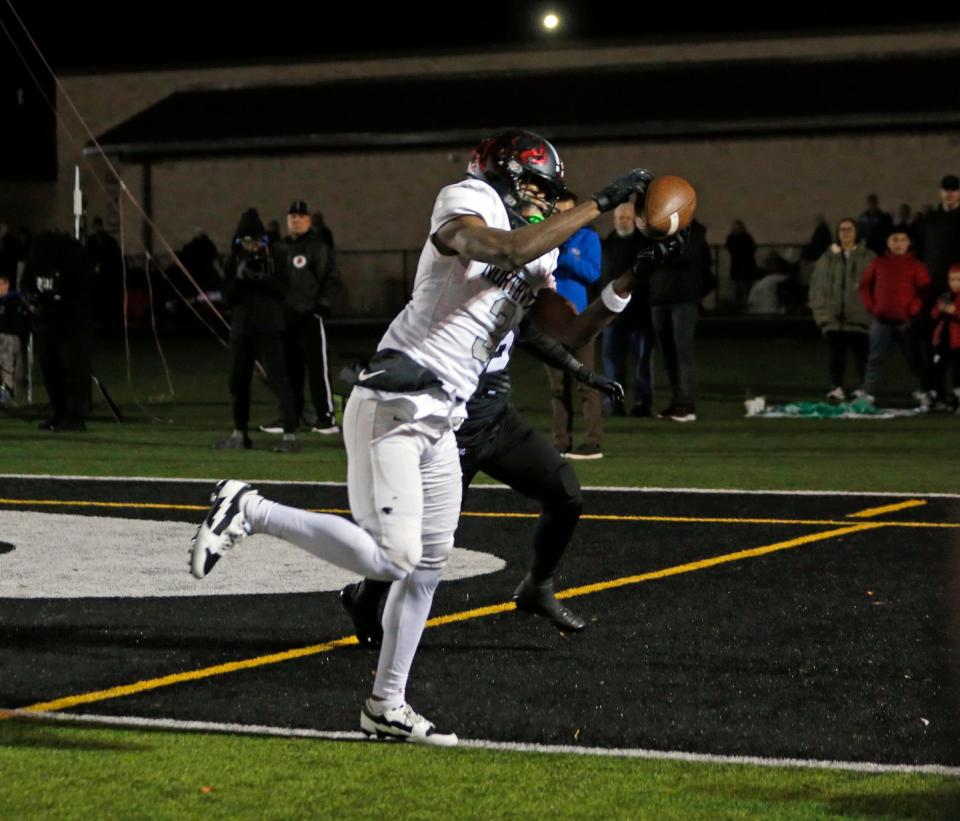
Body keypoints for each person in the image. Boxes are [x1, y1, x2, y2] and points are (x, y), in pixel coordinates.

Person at [190, 129, 675, 746]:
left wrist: (632, 271)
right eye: (534, 186)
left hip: (443, 415)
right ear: (500, 174)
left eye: (548, 192)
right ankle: (250, 508)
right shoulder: (466, 202)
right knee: (393, 558)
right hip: (398, 396)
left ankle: (385, 704)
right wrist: (599, 205)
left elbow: (572, 328)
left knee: (429, 564)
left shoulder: (539, 244)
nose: (541, 200)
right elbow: (501, 248)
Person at [341, 319, 625, 647]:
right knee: (418, 542)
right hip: (447, 436)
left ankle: (538, 586)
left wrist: (582, 373)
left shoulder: (507, 292)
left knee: (565, 492)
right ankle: (364, 596)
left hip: (497, 423)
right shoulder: (452, 296)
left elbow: (529, 332)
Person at [214, 208, 300, 453]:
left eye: (256, 241)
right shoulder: (233, 260)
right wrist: (240, 279)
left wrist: (261, 278)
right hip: (242, 330)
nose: (252, 246)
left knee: (279, 380)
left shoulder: (276, 257)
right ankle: (239, 433)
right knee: (237, 382)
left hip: (269, 328)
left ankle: (290, 436)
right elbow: (227, 298)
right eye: (247, 241)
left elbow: (283, 290)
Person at [261, 200, 339, 436]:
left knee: (317, 369)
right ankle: (290, 415)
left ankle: (325, 418)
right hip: (285, 318)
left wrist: (320, 307)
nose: (295, 219)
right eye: (292, 216)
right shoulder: (279, 248)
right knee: (288, 370)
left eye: (300, 216)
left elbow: (331, 278)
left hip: (309, 316)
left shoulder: (317, 246)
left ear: (308, 219)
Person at [543, 191, 604, 458]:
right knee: (557, 386)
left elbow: (592, 272)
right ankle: (561, 442)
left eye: (567, 212)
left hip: (579, 319)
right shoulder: (545, 236)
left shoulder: (587, 238)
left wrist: (564, 255)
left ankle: (592, 442)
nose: (562, 217)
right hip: (549, 320)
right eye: (557, 212)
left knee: (586, 382)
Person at [20, 231, 94, 431]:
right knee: (51, 371)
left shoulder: (74, 261)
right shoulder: (36, 262)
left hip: (72, 326)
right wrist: (32, 303)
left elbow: (80, 296)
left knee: (73, 371)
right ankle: (59, 413)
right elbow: (25, 285)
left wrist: (55, 303)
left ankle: (75, 418)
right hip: (47, 326)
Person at [857, 229, 931, 404]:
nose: (899, 244)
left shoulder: (916, 265)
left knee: (914, 358)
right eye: (895, 240)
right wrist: (871, 306)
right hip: (881, 321)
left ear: (909, 243)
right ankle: (867, 394)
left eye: (903, 240)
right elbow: (864, 286)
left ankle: (924, 392)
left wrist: (913, 309)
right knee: (875, 358)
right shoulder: (878, 262)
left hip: (905, 322)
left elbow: (925, 290)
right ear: (888, 242)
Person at [808, 218, 875, 400]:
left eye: (850, 229)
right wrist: (821, 313)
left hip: (859, 315)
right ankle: (836, 387)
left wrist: (871, 311)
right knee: (836, 355)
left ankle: (865, 389)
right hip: (834, 317)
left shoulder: (868, 257)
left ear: (857, 232)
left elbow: (876, 286)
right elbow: (817, 286)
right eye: (842, 229)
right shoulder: (827, 258)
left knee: (862, 354)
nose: (846, 233)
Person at [650, 218, 709, 422]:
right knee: (668, 355)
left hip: (683, 299)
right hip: (659, 298)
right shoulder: (657, 229)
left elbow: (687, 255)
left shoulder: (695, 231)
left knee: (683, 352)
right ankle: (676, 401)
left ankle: (687, 404)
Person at [600, 201, 654, 417]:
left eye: (627, 218)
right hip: (613, 314)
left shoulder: (644, 244)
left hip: (640, 314)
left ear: (635, 220)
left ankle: (642, 402)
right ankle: (614, 402)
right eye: (620, 218)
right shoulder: (609, 244)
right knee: (612, 363)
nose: (623, 221)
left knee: (642, 362)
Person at [916, 175, 960, 404]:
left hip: (958, 293)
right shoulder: (929, 219)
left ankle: (956, 392)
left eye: (955, 189)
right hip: (932, 292)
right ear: (940, 192)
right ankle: (935, 391)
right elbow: (922, 254)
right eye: (947, 189)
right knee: (933, 344)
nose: (951, 193)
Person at [930, 263, 960, 412]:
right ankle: (942, 399)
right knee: (939, 371)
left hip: (957, 342)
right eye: (952, 279)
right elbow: (934, 314)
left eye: (958, 280)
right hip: (943, 341)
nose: (955, 283)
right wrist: (940, 309)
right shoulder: (946, 295)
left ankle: (956, 400)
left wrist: (954, 311)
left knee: (957, 373)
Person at [0, 271, 29, 405]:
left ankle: (8, 398)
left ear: (7, 285)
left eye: (0, 284)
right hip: (4, 338)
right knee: (6, 368)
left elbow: (19, 296)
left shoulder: (13, 298)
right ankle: (6, 399)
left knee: (12, 369)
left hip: (12, 338)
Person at [725, 219, 758, 311]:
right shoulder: (746, 237)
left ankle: (741, 307)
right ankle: (743, 307)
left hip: (741, 267)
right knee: (742, 289)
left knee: (742, 289)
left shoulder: (733, 238)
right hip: (744, 266)